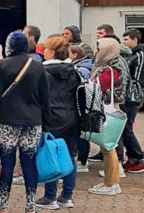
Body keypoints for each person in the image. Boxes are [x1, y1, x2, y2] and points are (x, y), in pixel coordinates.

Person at [0, 31, 50, 213]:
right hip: (33, 121)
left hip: (7, 121)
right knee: (29, 162)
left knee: (7, 164)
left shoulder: (1, 65)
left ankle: (3, 205)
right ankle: (30, 205)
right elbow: (46, 98)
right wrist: (47, 124)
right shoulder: (38, 66)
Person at [35, 36, 80, 210]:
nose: (43, 51)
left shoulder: (42, 72)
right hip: (72, 118)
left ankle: (49, 196)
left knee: (50, 154)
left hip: (51, 117)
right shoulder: (73, 70)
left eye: (45, 48)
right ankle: (67, 196)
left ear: (52, 52)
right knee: (70, 156)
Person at [88, 38, 124, 196]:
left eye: (100, 48)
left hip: (107, 112)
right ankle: (112, 182)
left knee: (108, 148)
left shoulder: (109, 69)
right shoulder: (113, 66)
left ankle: (111, 183)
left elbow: (96, 87)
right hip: (110, 110)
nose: (97, 51)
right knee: (108, 147)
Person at [121, 29, 144, 174]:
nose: (124, 42)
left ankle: (138, 158)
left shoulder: (140, 56)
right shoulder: (129, 55)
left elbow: (136, 80)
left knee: (127, 127)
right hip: (126, 96)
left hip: (132, 97)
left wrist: (128, 91)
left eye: (126, 39)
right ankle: (132, 157)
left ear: (135, 40)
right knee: (124, 128)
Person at [69, 45, 93, 173]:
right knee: (81, 134)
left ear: (74, 55)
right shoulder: (85, 66)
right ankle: (82, 159)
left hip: (79, 106)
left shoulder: (81, 69)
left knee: (81, 135)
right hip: (82, 106)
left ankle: (82, 161)